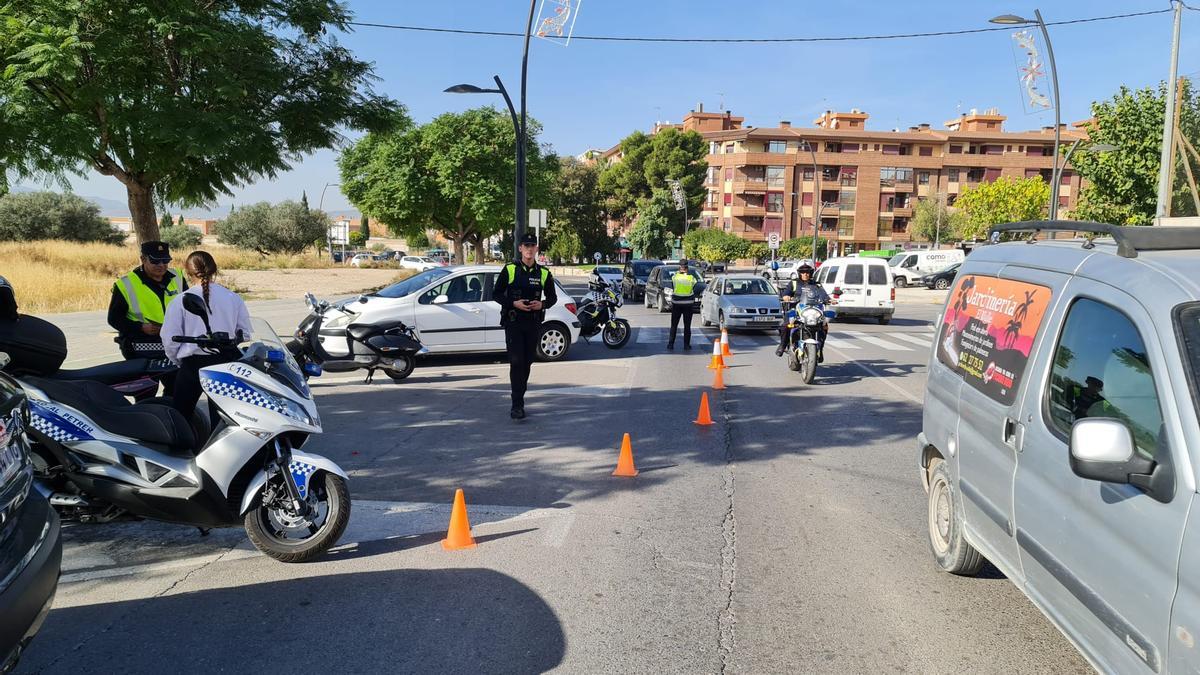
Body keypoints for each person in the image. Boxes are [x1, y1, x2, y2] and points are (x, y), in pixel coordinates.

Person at [161, 251, 252, 422]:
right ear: (215, 270)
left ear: (187, 273)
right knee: (224, 420)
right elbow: (245, 333)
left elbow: (169, 339)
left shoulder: (179, 301)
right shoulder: (233, 298)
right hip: (226, 362)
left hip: (193, 364)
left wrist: (179, 360)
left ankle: (184, 447)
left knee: (181, 417)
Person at [491, 232, 558, 420]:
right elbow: (496, 294)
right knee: (516, 362)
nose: (529, 249)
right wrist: (513, 303)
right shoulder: (510, 269)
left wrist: (542, 304)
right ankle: (517, 404)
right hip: (514, 322)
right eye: (526, 246)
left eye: (532, 246)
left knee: (527, 362)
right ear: (520, 248)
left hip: (533, 323)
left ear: (536, 249)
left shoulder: (543, 273)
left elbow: (552, 298)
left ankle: (520, 394)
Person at [107, 241, 188, 360]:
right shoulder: (126, 284)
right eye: (155, 261)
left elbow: (188, 309)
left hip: (173, 345)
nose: (161, 265)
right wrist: (140, 327)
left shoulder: (178, 278)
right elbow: (114, 319)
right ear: (143, 259)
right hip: (141, 348)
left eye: (165, 260)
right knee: (146, 380)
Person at [775, 263, 831, 362]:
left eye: (808, 272)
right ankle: (782, 345)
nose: (805, 274)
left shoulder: (816, 284)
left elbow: (824, 295)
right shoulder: (794, 283)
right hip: (796, 310)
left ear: (811, 273)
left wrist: (829, 299)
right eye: (803, 272)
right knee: (785, 326)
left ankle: (820, 349)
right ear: (799, 273)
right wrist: (786, 297)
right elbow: (786, 294)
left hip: (813, 311)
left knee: (824, 327)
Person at [666, 259, 699, 350]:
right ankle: (686, 345)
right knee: (687, 326)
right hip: (688, 304)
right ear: (687, 267)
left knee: (674, 325)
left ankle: (671, 344)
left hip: (677, 304)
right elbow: (695, 288)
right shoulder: (692, 278)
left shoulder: (675, 277)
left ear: (679, 267)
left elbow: (673, 287)